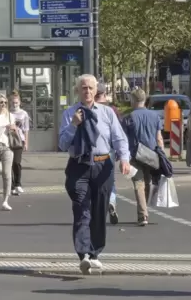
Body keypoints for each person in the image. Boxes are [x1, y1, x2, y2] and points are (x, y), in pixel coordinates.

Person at [59, 74, 131, 275]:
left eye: (91, 88)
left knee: (99, 211)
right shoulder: (69, 113)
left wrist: (124, 159)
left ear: (96, 90)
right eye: (83, 88)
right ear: (77, 91)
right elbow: (63, 144)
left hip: (102, 165)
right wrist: (73, 125)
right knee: (81, 208)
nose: (87, 91)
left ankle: (95, 252)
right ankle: (83, 255)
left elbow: (119, 139)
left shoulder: (107, 113)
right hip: (79, 165)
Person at [120, 88, 163, 226]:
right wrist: (162, 155)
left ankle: (143, 215)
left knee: (139, 184)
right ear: (145, 100)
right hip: (151, 155)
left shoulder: (128, 118)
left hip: (135, 155)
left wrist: (122, 157)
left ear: (133, 100)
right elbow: (159, 138)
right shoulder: (155, 116)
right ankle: (144, 211)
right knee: (147, 182)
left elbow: (123, 139)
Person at [95, 84, 120, 224]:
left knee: (94, 181)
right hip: (110, 150)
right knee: (110, 180)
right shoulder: (113, 110)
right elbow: (118, 132)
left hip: (95, 150)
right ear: (105, 94)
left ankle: (99, 208)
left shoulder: (90, 108)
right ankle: (111, 200)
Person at [9, 91, 30, 196]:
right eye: (13, 102)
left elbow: (26, 129)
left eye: (16, 102)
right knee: (9, 164)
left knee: (16, 163)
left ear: (20, 102)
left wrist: (26, 142)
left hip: (19, 140)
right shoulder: (7, 113)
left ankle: (18, 184)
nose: (14, 104)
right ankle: (11, 186)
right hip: (8, 140)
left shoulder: (23, 114)